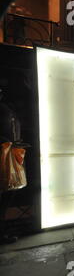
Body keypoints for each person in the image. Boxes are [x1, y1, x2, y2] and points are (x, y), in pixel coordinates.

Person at [0, 88, 21, 244]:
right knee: (6, 192)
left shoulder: (5, 107)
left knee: (7, 192)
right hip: (4, 152)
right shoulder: (5, 108)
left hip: (7, 152)